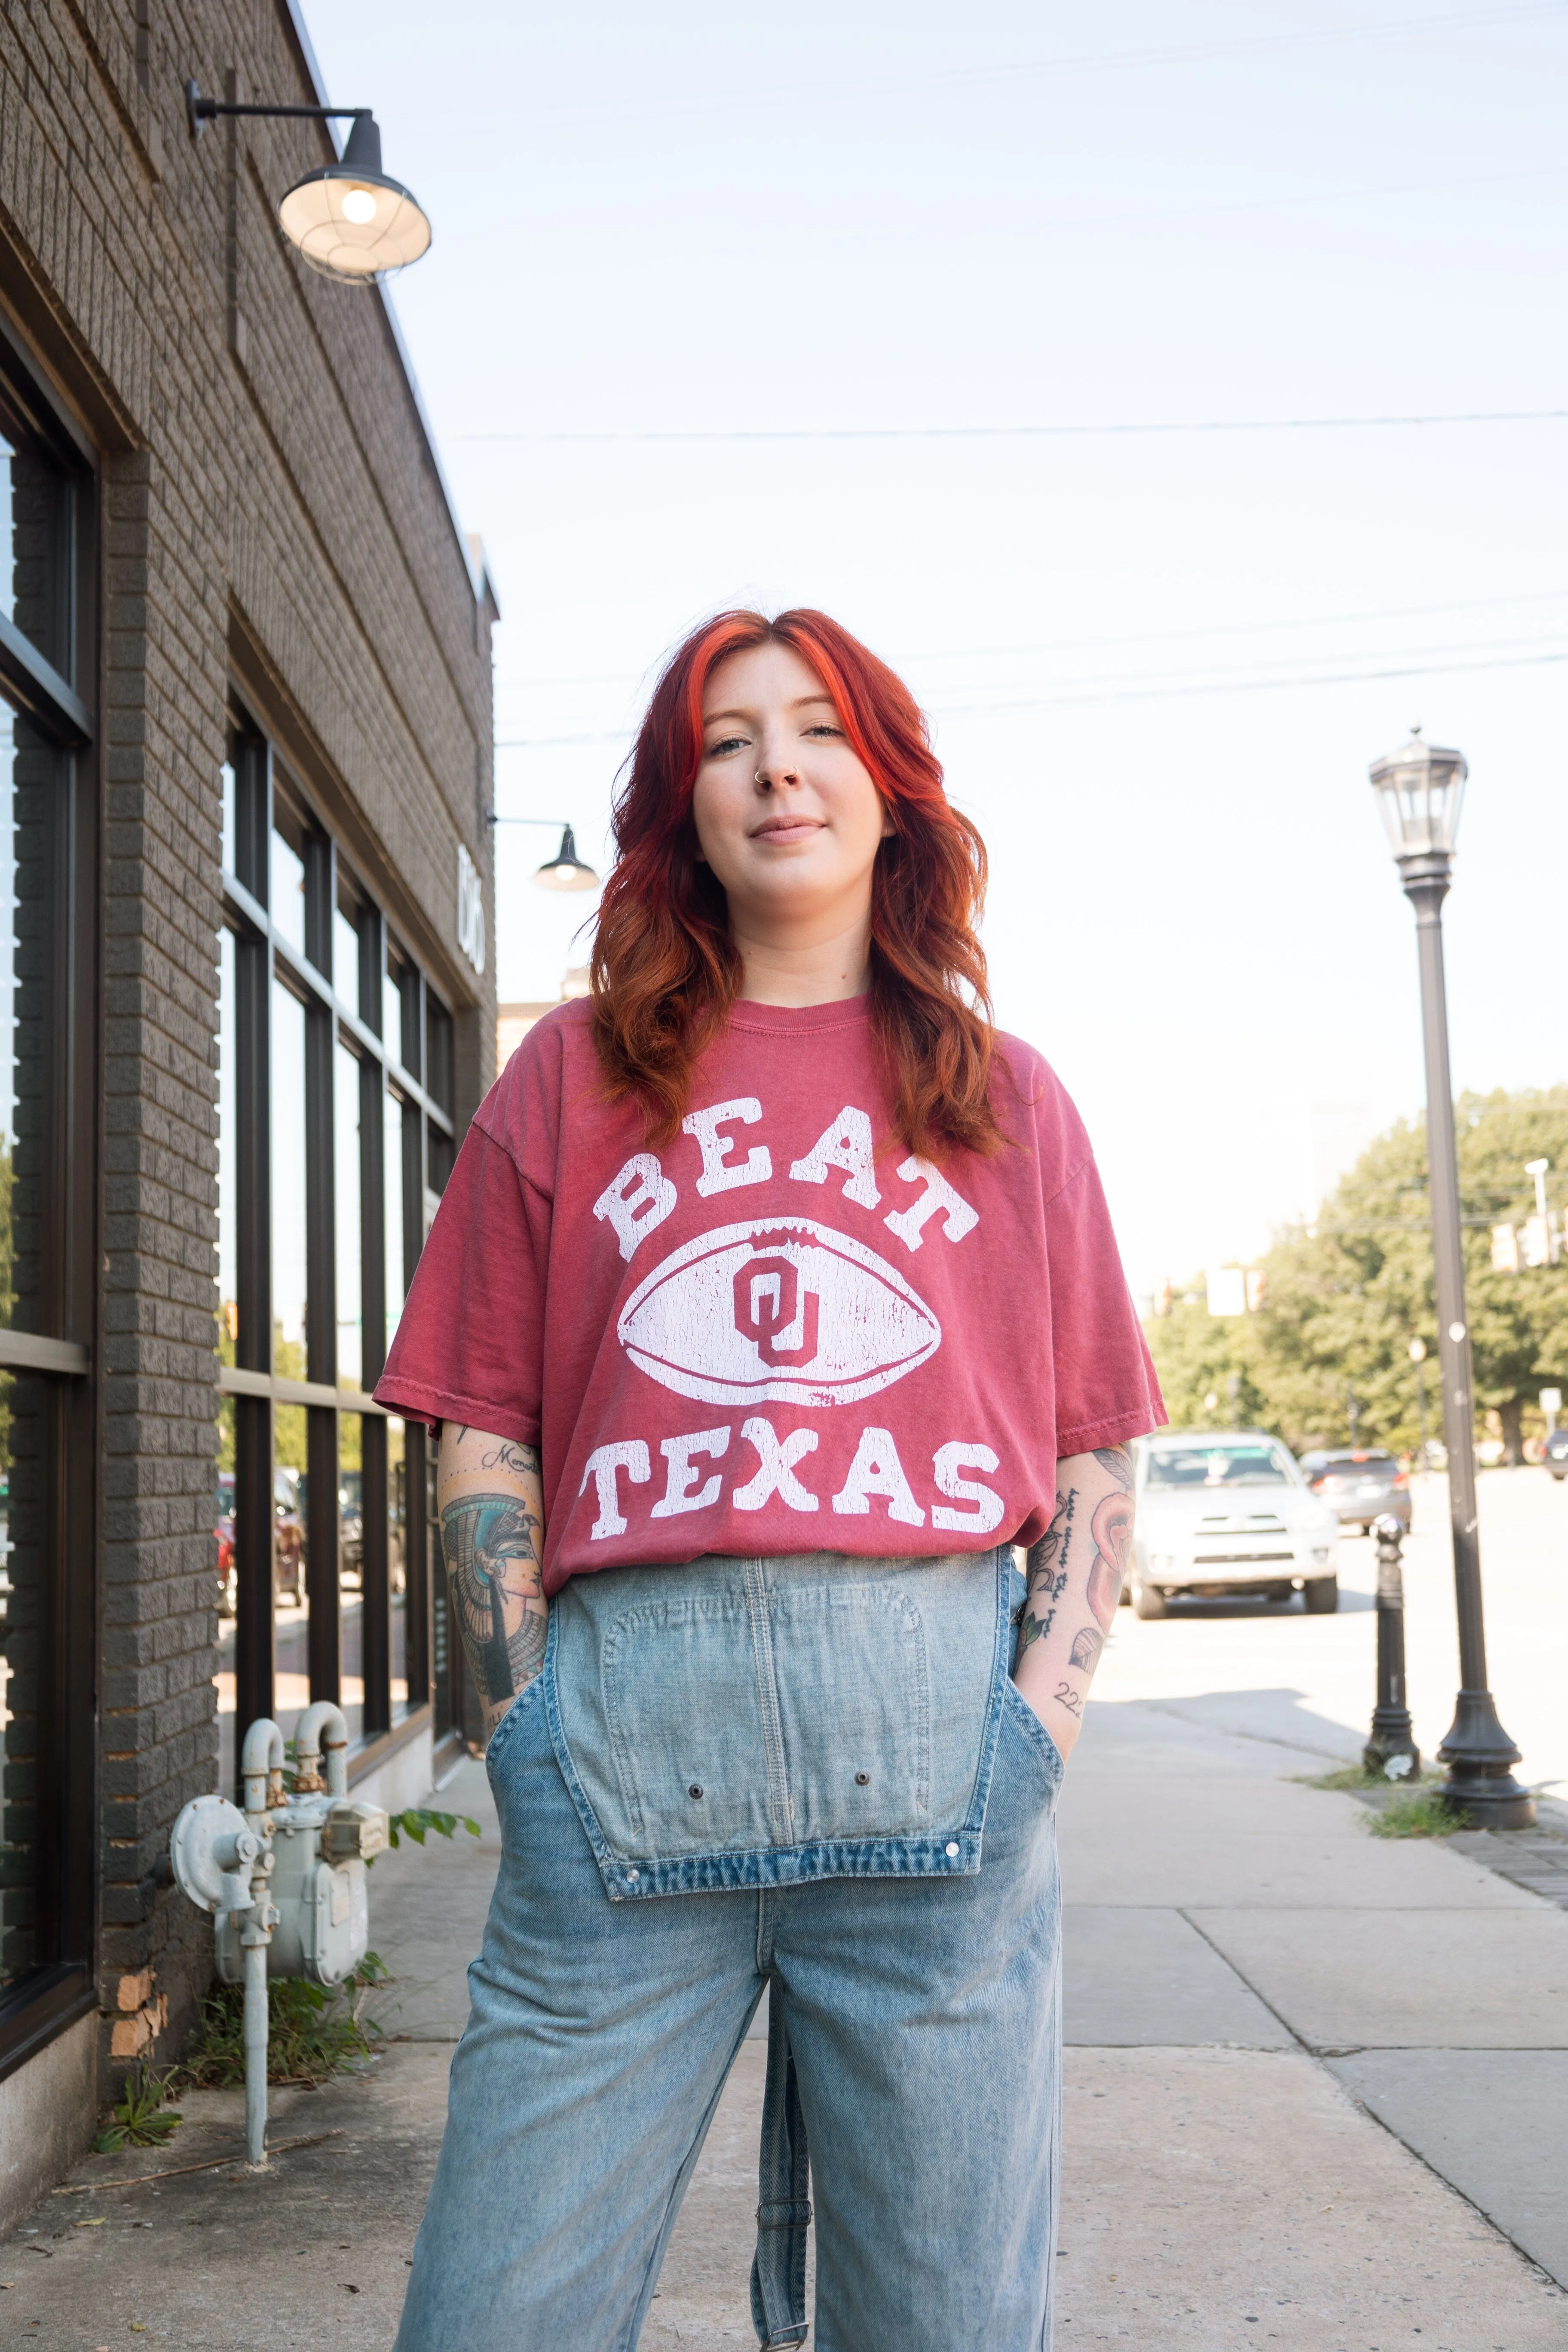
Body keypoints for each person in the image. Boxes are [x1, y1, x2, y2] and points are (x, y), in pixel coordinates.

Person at [375, 607, 1164, 2352]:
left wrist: (1043, 1723)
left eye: (818, 732)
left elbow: (1092, 1446)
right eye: (727, 740)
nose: (776, 767)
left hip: (944, 1790)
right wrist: (521, 1739)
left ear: (889, 795)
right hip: (617, 1785)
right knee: (495, 2311)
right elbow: (483, 1425)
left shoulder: (1006, 1098)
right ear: (685, 804)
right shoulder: (570, 1074)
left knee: (941, 2320)